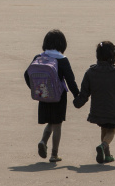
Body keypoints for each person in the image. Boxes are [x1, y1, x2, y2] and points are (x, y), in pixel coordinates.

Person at [24, 29, 79, 164]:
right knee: (57, 124)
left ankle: (43, 141)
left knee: (50, 121)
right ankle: (54, 154)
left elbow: (27, 75)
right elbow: (71, 80)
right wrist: (78, 95)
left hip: (44, 95)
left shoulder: (39, 57)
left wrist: (36, 89)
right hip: (59, 97)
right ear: (62, 44)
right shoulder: (62, 60)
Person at [74, 41, 115, 165]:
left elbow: (84, 93)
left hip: (97, 110)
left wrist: (77, 102)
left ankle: (107, 154)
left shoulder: (90, 72)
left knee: (104, 128)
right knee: (111, 130)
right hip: (113, 110)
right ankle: (104, 145)